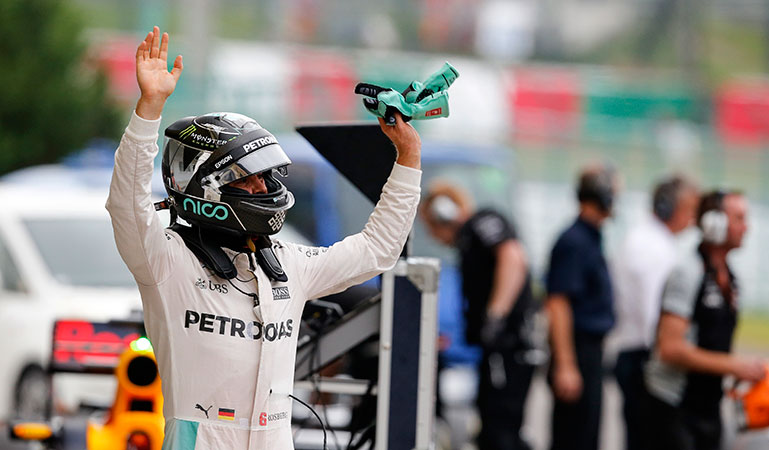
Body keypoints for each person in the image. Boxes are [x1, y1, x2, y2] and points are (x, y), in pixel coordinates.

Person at [106, 26, 422, 449]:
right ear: (209, 187)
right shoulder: (167, 261)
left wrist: (408, 157)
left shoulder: (286, 265)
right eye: (247, 180)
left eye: (264, 178)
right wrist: (149, 109)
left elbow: (377, 250)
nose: (262, 189)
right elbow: (127, 206)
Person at [644, 190, 765, 450]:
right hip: (676, 406)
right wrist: (733, 366)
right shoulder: (687, 273)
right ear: (714, 223)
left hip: (708, 407)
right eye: (739, 219)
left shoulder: (731, 281)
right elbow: (670, 348)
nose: (747, 227)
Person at [419, 182, 536, 450]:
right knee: (491, 425)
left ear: (443, 215)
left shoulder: (483, 223)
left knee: (501, 429)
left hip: (509, 348)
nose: (434, 236)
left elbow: (513, 257)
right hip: (497, 349)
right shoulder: (470, 242)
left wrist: (496, 315)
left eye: (431, 227)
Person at [612, 176, 699, 450]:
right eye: (689, 210)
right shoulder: (653, 249)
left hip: (637, 355)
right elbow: (655, 317)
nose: (693, 219)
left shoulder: (647, 240)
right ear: (668, 208)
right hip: (643, 359)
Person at [545, 165, 618, 450]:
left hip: (588, 353)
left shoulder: (590, 238)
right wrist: (566, 365)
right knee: (573, 437)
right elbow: (558, 303)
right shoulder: (574, 242)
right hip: (578, 351)